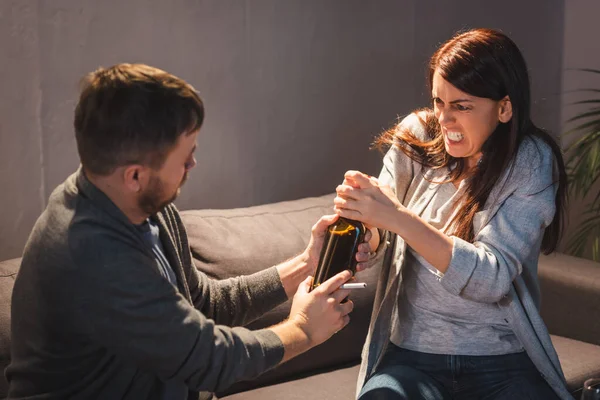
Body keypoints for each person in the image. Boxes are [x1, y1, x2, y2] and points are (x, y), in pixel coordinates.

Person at [6, 63, 373, 400]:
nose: (192, 164)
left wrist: (307, 265)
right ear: (135, 175)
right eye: (184, 159)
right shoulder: (91, 253)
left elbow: (202, 305)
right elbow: (209, 360)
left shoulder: (144, 206)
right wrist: (304, 329)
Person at [333, 28, 572, 399]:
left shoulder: (530, 160)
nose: (444, 119)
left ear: (504, 108)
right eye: (438, 102)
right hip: (411, 357)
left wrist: (396, 217)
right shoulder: (419, 135)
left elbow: (492, 278)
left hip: (501, 359)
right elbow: (383, 229)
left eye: (461, 106)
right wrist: (367, 228)